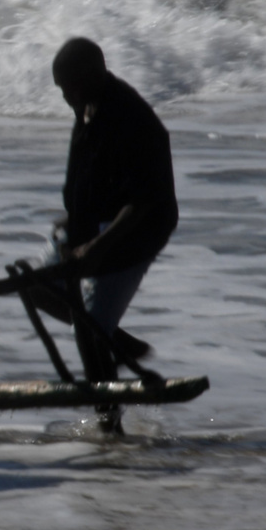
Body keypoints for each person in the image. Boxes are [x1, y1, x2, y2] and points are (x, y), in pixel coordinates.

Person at [49, 38, 178, 408]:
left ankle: (109, 429)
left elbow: (142, 204)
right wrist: (74, 231)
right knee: (37, 286)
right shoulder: (88, 104)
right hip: (94, 223)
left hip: (135, 233)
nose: (65, 98)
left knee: (88, 330)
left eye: (68, 89)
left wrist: (93, 248)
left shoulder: (133, 121)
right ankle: (118, 342)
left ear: (94, 75)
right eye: (61, 90)